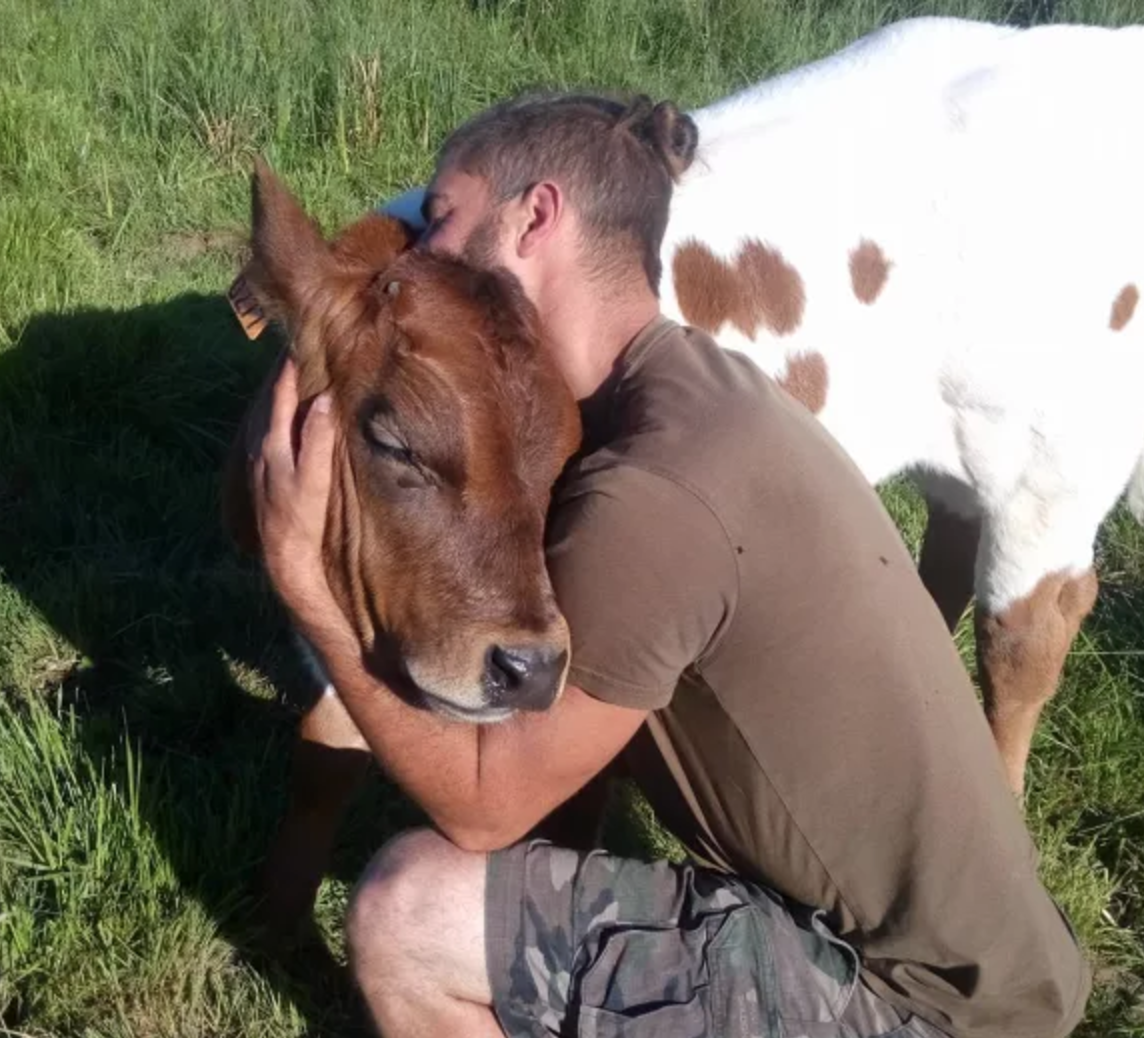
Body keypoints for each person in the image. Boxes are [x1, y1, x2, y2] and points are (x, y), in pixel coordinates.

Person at [247, 92, 1090, 1038]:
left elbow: (484, 810)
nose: (414, 249)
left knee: (408, 914)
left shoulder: (652, 494)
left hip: (924, 1009)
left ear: (537, 218)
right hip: (972, 956)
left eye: (439, 216)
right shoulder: (697, 387)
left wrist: (307, 584)